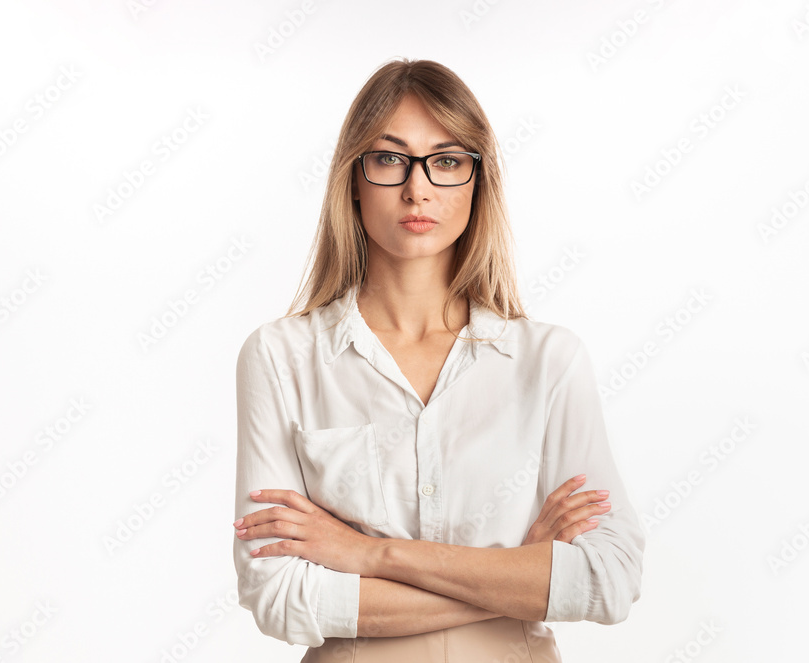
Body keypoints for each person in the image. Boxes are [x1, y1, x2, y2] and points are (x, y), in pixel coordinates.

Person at [231, 57, 645, 662]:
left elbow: (610, 579)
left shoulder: (548, 360)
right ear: (353, 176)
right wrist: (518, 578)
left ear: (478, 182)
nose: (417, 187)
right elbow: (279, 594)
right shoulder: (280, 357)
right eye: (389, 158)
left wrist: (371, 554)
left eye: (447, 161)